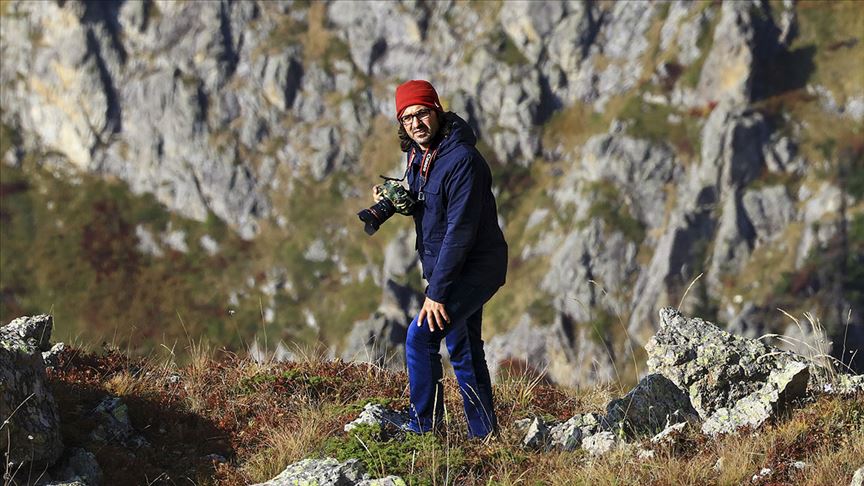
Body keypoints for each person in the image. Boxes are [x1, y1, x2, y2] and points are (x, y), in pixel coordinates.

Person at [377, 79, 508, 438]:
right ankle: (484, 435)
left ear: (436, 110)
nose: (415, 123)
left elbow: (460, 232)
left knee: (420, 338)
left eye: (421, 113)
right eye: (406, 118)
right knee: (463, 348)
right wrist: (396, 200)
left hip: (474, 268)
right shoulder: (420, 153)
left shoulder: (462, 160)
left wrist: (436, 293)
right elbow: (430, 206)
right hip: (450, 268)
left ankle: (423, 427)